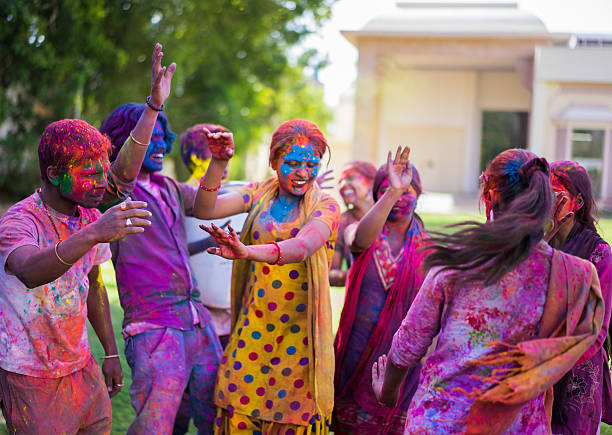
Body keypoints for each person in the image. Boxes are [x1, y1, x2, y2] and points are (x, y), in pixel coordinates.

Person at [0, 43, 172, 435]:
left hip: (82, 367)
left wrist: (152, 109)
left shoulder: (88, 207)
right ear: (55, 173)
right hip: (29, 374)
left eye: (101, 172)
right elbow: (29, 271)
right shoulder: (19, 221)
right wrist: (96, 232)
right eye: (90, 174)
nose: (101, 183)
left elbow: (94, 285)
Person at [372, 149, 605, 435]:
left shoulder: (457, 263)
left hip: (440, 423)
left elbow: (407, 346)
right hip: (518, 427)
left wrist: (388, 394)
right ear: (549, 202)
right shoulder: (576, 276)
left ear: (490, 198)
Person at [193, 119, 340, 434]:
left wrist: (247, 252)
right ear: (274, 162)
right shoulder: (258, 193)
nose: (303, 172)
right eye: (292, 163)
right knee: (237, 407)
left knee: (291, 418)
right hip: (252, 330)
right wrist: (218, 163)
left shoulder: (326, 206)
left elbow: (302, 247)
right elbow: (204, 210)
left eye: (311, 165)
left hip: (298, 341)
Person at [99, 95, 222, 433]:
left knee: (217, 412)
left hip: (196, 321)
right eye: (147, 137)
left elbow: (212, 205)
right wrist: (153, 107)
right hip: (154, 328)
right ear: (121, 143)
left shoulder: (169, 187)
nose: (157, 145)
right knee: (156, 422)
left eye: (160, 137)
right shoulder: (112, 193)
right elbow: (122, 173)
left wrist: (222, 164)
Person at [333, 148, 427, 435]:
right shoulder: (361, 232)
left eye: (407, 190)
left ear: (419, 194)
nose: (400, 196)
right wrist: (392, 191)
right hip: (356, 351)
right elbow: (358, 240)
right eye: (387, 190)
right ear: (378, 196)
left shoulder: (430, 247)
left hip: (403, 359)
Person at [174, 123, 248, 435]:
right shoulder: (179, 196)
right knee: (183, 397)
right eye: (214, 153)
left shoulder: (233, 196)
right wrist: (206, 245)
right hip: (189, 315)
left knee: (219, 397)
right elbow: (170, 250)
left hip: (229, 318)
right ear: (193, 156)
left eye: (227, 154)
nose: (224, 159)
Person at [546, 161, 612, 435]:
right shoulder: (537, 246)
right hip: (534, 377)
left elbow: (595, 332)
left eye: (556, 194)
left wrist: (547, 364)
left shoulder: (599, 255)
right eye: (543, 194)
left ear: (578, 201)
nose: (548, 202)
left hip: (577, 382)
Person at [329, 161, 377, 287]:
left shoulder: (392, 215)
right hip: (358, 302)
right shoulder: (341, 222)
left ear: (371, 182)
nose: (343, 185)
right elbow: (330, 275)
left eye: (350, 178)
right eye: (340, 182)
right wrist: (362, 275)